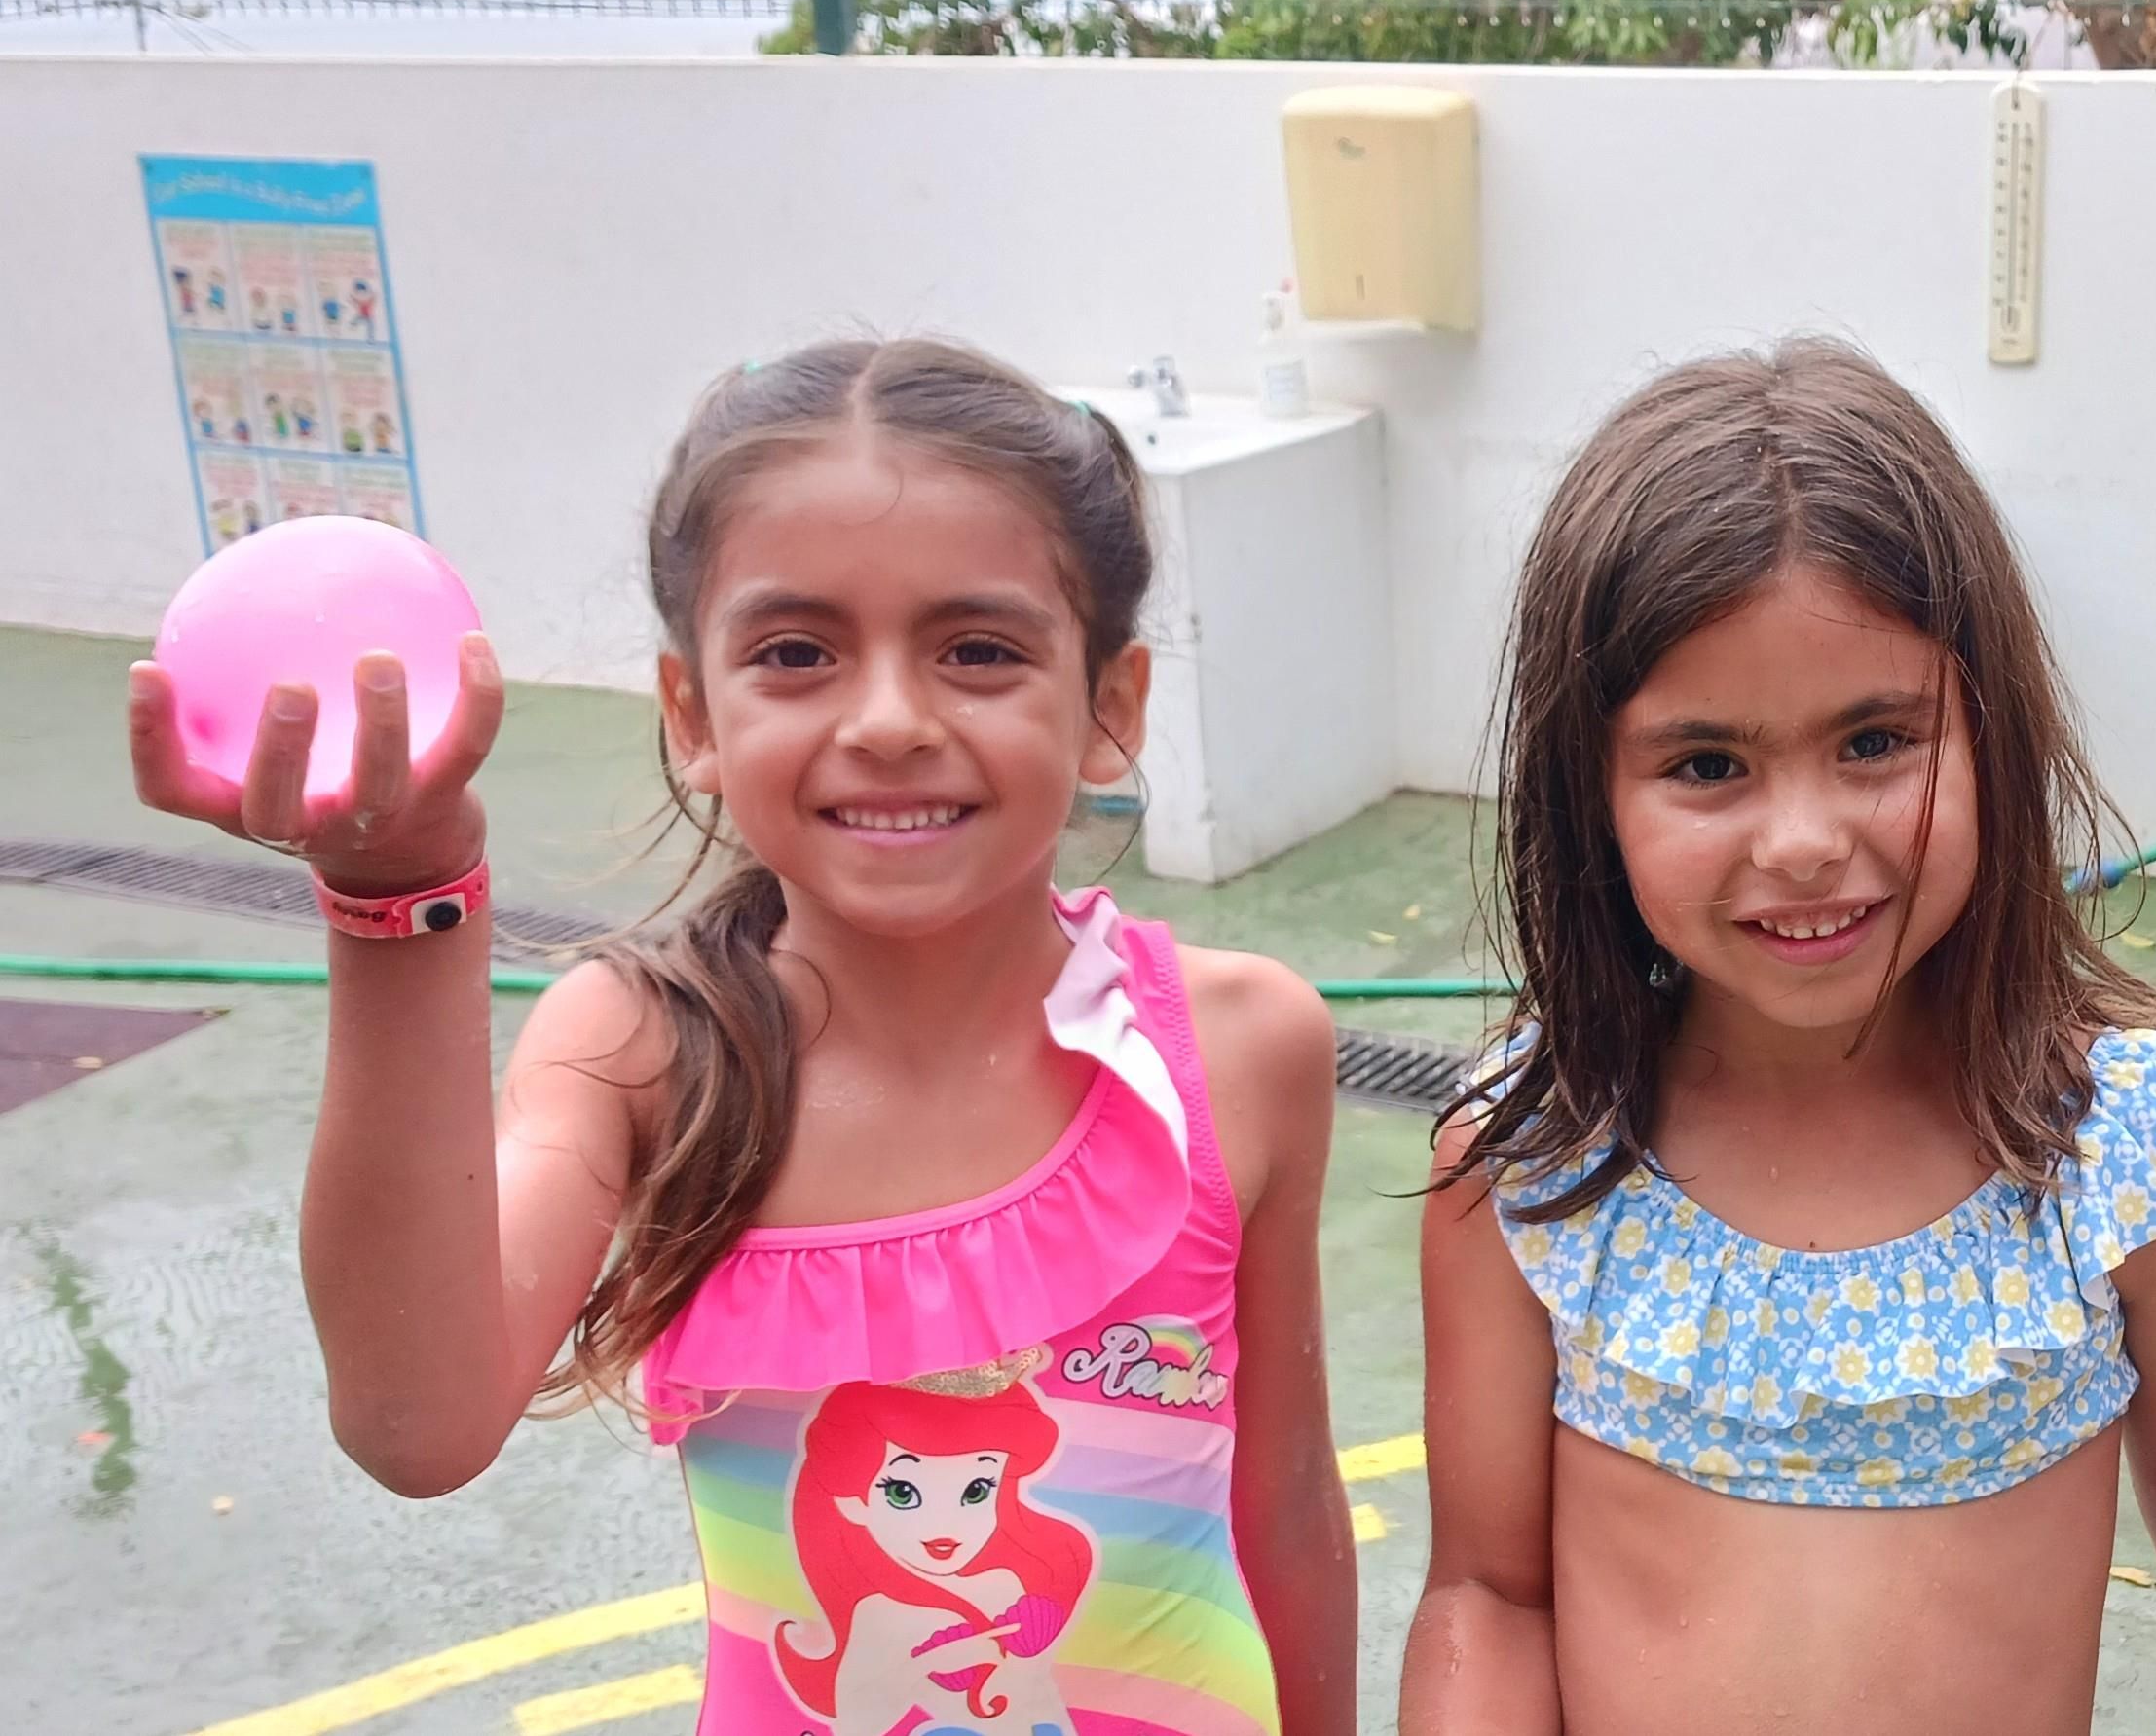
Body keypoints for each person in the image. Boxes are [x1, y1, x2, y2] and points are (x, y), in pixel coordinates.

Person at [130, 336, 1357, 1735]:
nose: (888, 720)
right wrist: (398, 896)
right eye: (795, 653)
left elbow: (1287, 1508)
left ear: (1110, 706)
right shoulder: (641, 1051)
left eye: (978, 650)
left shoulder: (1240, 1047)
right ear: (692, 715)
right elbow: (416, 1425)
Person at [1406, 340, 2156, 1735]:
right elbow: (1490, 1593)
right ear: (1587, 791)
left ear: (1990, 738)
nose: (1804, 842)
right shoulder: (1538, 1165)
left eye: (1875, 742)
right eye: (1708, 764)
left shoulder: (2125, 1152)